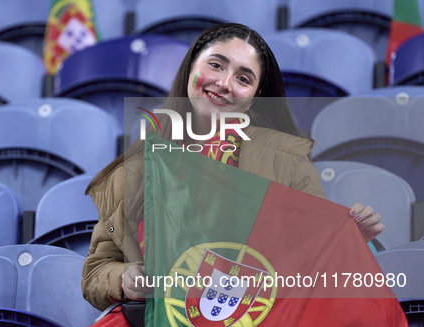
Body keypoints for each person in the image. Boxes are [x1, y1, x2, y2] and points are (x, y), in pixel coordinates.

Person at [81, 23, 384, 311]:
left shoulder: (285, 161)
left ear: (254, 98)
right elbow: (96, 270)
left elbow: (310, 264)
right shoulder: (136, 169)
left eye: (243, 78)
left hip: (254, 326)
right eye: (216, 65)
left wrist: (347, 241)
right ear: (191, 68)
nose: (224, 83)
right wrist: (123, 278)